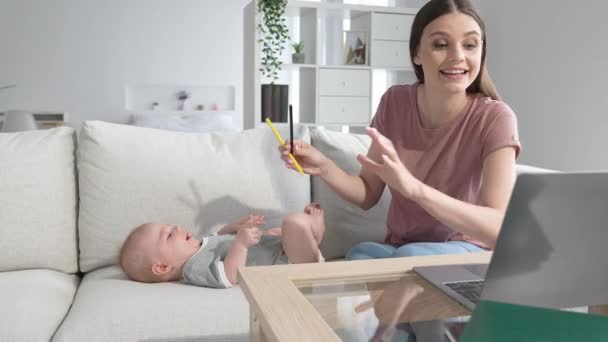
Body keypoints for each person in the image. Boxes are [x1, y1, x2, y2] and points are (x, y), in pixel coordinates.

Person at [280, 0, 521, 260]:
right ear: (417, 53)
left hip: (466, 248)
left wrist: (413, 188)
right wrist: (323, 166)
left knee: (410, 255)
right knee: (359, 255)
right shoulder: (394, 103)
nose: (458, 56)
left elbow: (498, 227)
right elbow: (367, 193)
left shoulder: (495, 118)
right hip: (401, 247)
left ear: (481, 52)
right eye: (441, 44)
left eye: (470, 45)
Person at [119, 202, 325, 288]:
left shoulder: (199, 246)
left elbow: (220, 235)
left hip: (277, 248)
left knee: (275, 232)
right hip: (289, 264)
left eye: (173, 227)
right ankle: (313, 234)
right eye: (170, 234)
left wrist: (238, 226)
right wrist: (242, 245)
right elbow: (229, 275)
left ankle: (312, 237)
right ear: (162, 267)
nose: (179, 228)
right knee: (293, 223)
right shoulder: (193, 268)